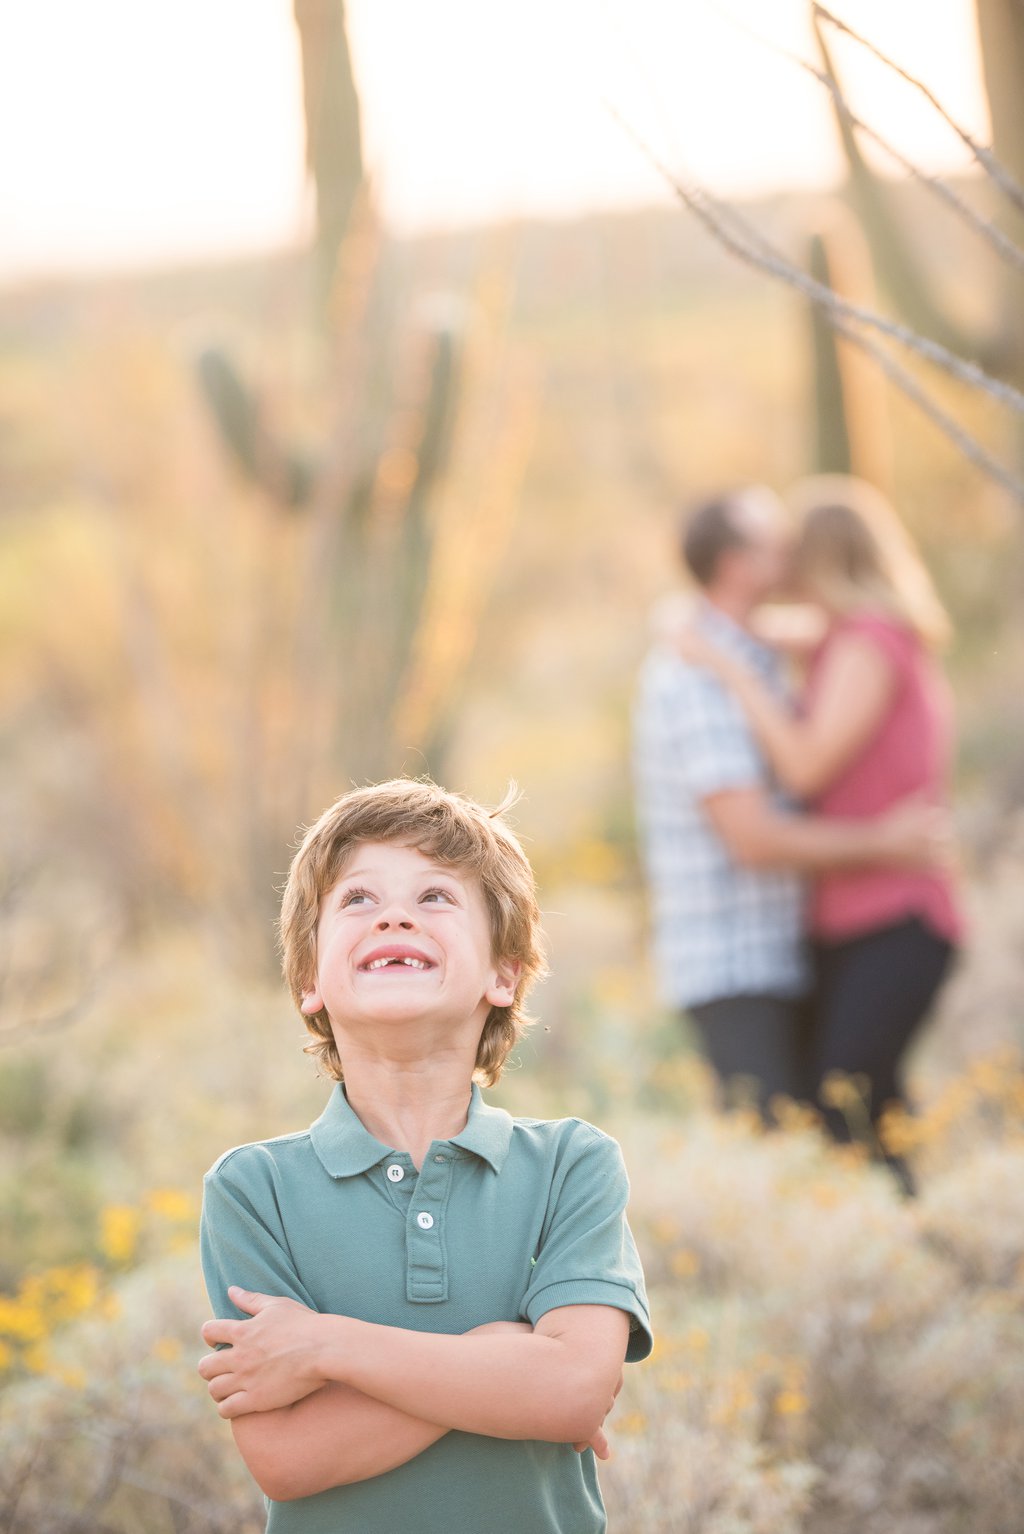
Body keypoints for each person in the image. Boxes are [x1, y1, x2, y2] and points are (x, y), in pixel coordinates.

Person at [197, 778, 652, 1534]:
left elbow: (572, 1392)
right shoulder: (254, 1189)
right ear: (310, 979)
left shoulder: (571, 1165)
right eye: (358, 899)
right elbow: (287, 1457)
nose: (395, 916)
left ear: (504, 974)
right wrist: (503, 1358)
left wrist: (325, 1346)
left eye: (436, 896)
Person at [673, 477, 963, 1184]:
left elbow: (802, 768)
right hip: (851, 919)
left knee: (846, 1096)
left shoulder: (868, 641)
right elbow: (759, 626)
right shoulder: (841, 637)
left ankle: (902, 1226)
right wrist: (696, 625)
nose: (784, 567)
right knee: (868, 1104)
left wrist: (729, 670)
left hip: (897, 911)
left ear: (823, 557)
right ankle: (910, 1228)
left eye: (794, 551)